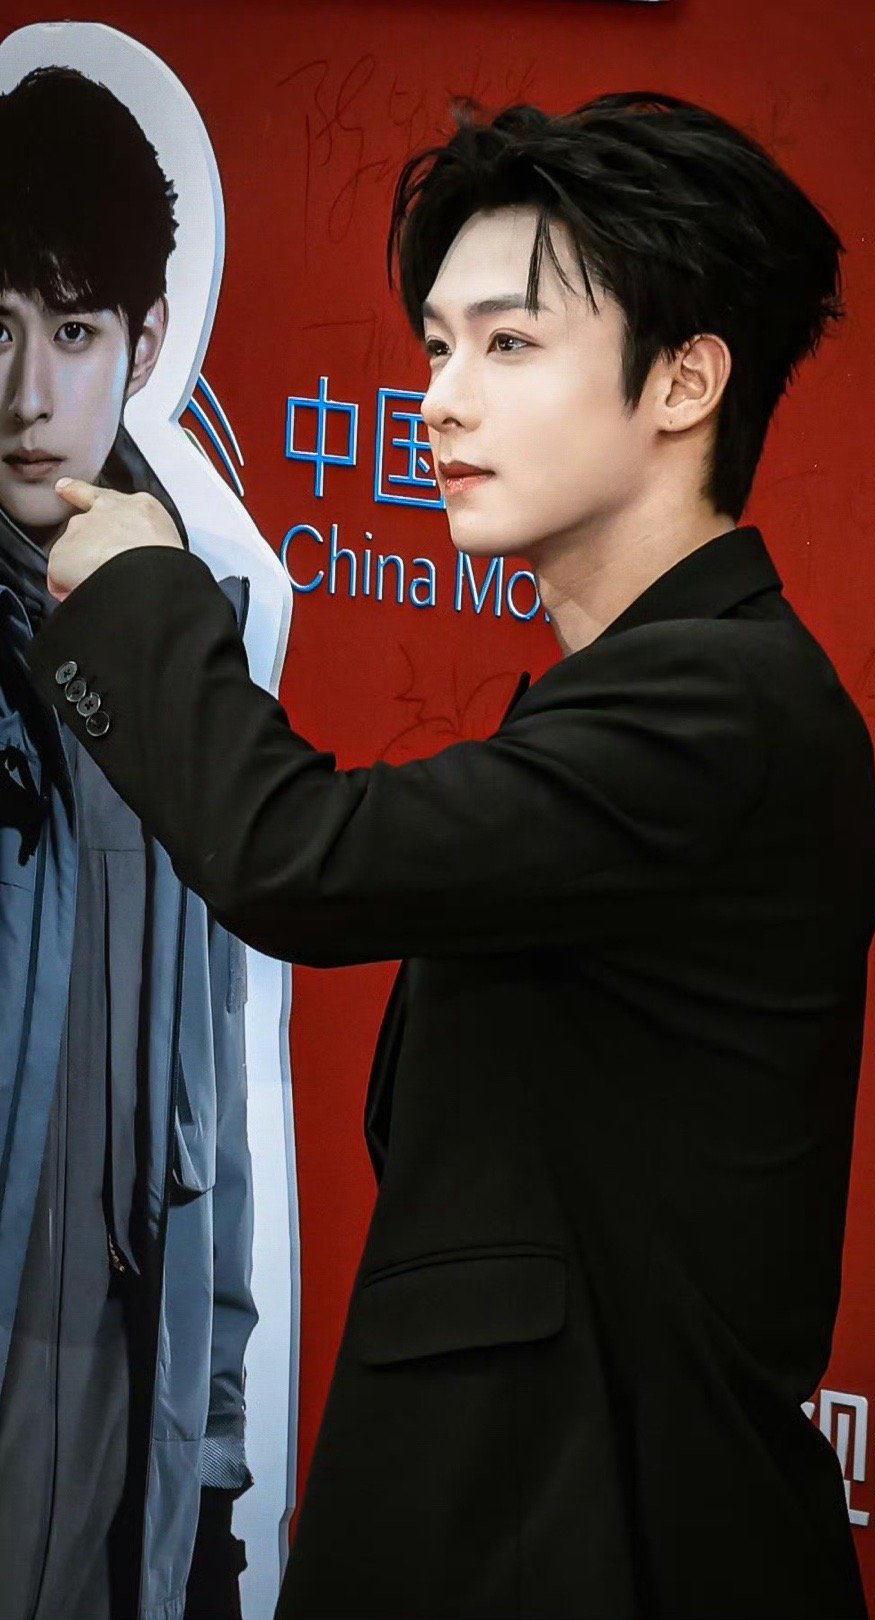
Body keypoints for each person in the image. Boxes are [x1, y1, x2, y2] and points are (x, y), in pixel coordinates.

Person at [30, 91, 875, 1619]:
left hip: (603, 1546)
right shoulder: (646, 692)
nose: (440, 401)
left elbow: (298, 855)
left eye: (509, 346)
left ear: (686, 381)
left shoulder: (723, 702)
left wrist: (143, 596)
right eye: (436, 347)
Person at [0, 66, 254, 1620]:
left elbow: (209, 1101)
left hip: (112, 1404)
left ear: (147, 345)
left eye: (74, 332)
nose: (25, 393)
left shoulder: (184, 647)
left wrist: (212, 1470)